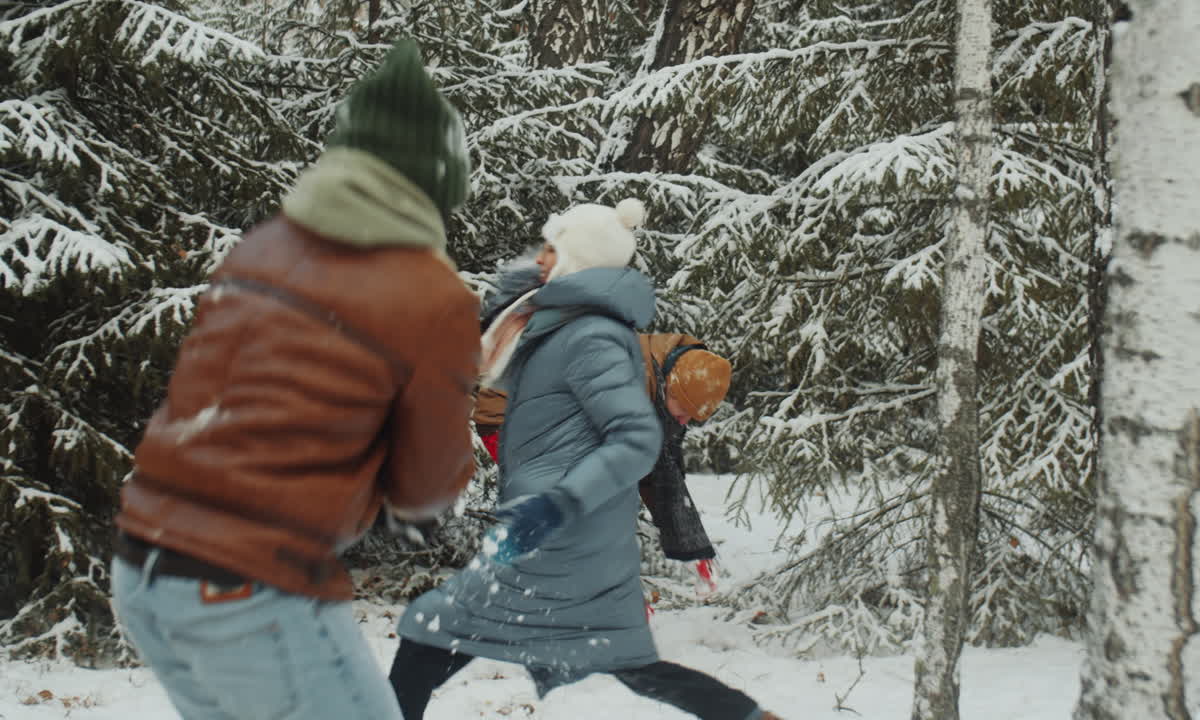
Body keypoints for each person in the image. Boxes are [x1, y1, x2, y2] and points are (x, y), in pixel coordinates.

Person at [110, 40, 479, 720]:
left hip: (144, 571)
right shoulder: (434, 293)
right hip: (249, 588)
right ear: (435, 182)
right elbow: (426, 480)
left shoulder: (263, 244)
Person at [390, 199, 781, 720]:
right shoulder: (591, 334)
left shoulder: (594, 335)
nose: (541, 258)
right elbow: (631, 445)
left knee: (433, 633)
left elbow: (634, 444)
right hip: (556, 508)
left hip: (558, 527)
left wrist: (561, 504)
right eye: (682, 412)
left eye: (554, 250)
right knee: (623, 661)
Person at [473, 335, 733, 598]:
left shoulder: (663, 383)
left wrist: (692, 547)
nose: (685, 420)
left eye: (693, 416)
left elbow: (661, 472)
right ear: (670, 386)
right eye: (684, 409)